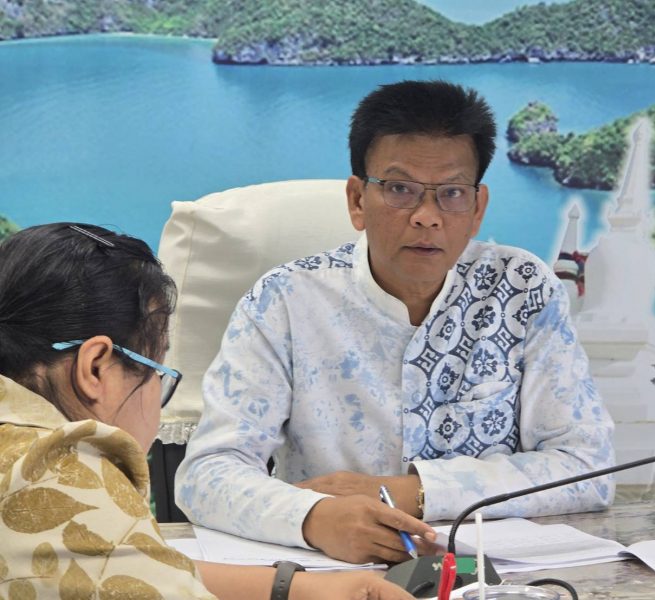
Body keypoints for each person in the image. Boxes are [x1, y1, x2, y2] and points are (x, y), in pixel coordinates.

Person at [176, 80, 616, 564]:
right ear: (357, 201)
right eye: (400, 189)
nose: (427, 217)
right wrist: (314, 517)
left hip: (493, 574)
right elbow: (206, 475)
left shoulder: (522, 288)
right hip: (333, 571)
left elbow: (587, 467)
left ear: (477, 209)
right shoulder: (284, 300)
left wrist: (414, 492)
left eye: (451, 193)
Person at [0, 223, 415, 599]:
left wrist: (297, 588)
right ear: (96, 369)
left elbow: (126, 565)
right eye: (157, 369)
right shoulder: (60, 474)